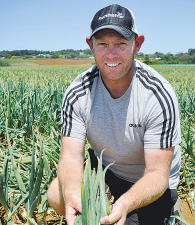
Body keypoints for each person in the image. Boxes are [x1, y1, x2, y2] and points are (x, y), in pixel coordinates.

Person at [47, 4, 182, 225]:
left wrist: (126, 202)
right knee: (57, 194)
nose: (111, 54)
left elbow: (157, 174)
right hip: (106, 172)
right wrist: (73, 195)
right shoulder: (78, 91)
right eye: (102, 44)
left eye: (120, 43)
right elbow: (71, 157)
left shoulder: (157, 94)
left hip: (148, 182)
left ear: (136, 44)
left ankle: (170, 210)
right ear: (90, 46)